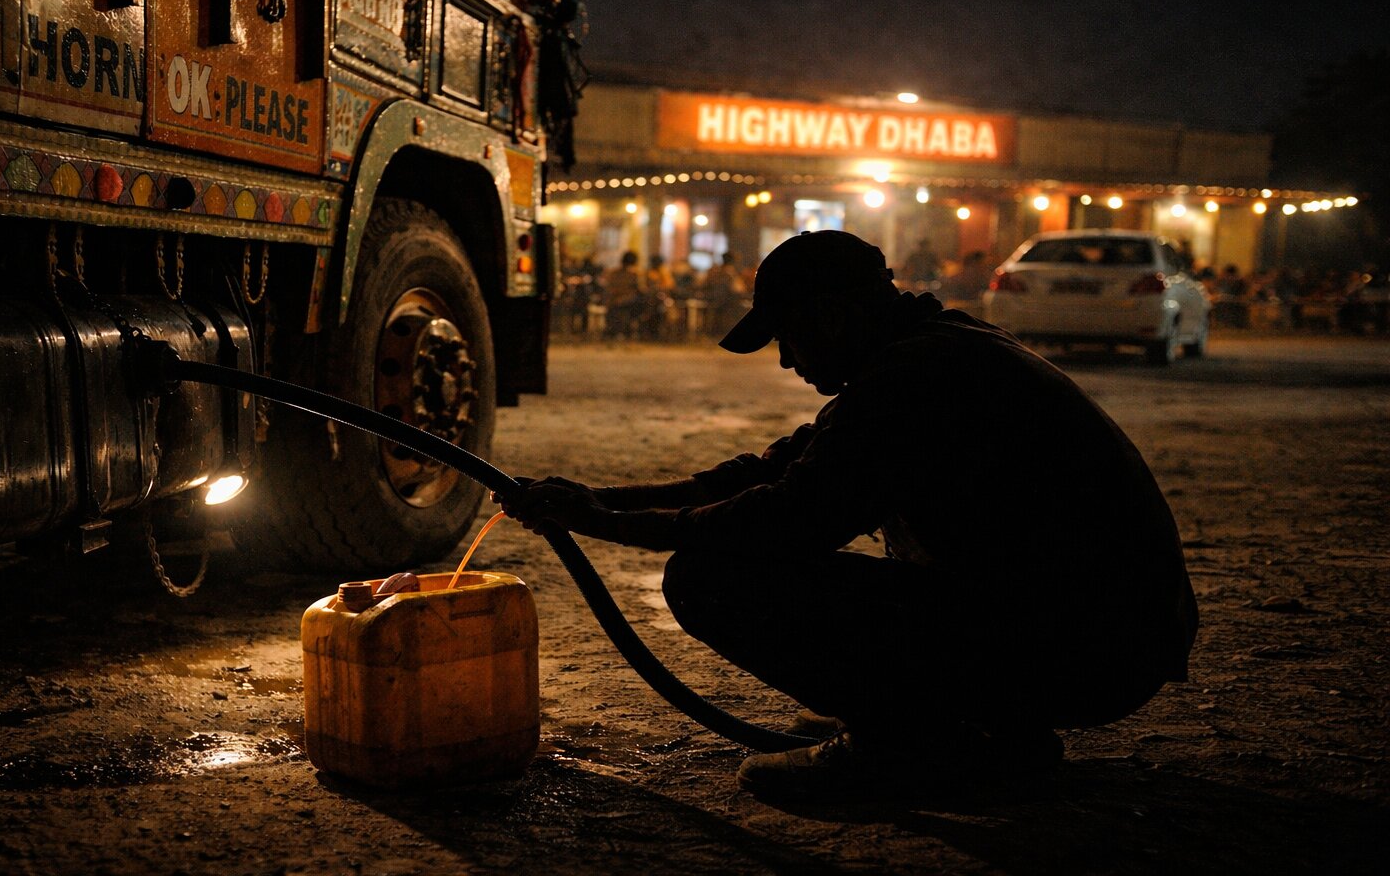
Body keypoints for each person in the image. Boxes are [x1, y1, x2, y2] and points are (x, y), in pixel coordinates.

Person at [496, 229, 1198, 802]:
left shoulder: (915, 378)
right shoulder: (927, 350)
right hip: (1097, 636)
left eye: (788, 338)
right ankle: (988, 734)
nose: (784, 363)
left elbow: (784, 520)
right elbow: (768, 470)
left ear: (829, 316)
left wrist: (606, 524)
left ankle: (904, 747)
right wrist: (599, 501)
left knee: (710, 576)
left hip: (1086, 651)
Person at [600, 250, 646, 339]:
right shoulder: (635, 274)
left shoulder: (613, 273)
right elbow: (641, 289)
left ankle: (615, 330)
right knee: (641, 303)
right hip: (627, 302)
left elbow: (608, 288)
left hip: (612, 300)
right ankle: (634, 330)